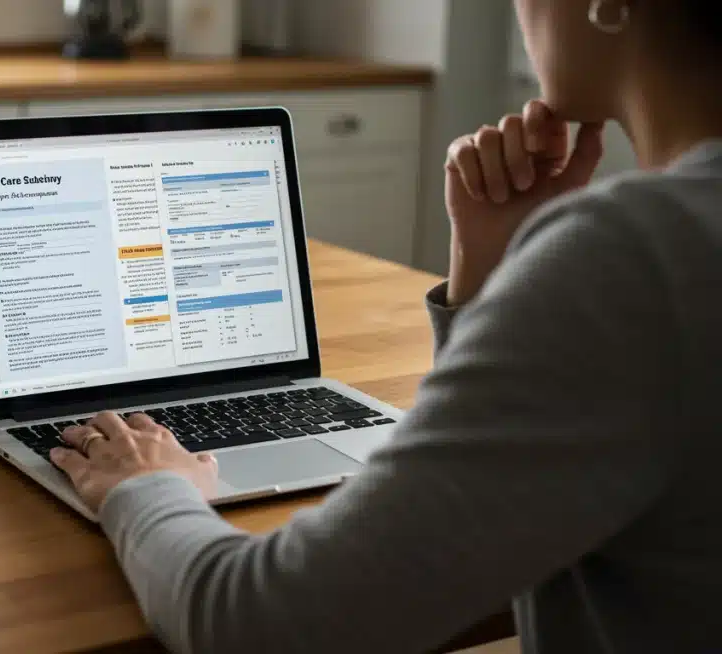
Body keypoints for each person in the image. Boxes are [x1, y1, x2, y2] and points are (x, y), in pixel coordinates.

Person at [48, 0, 722, 652]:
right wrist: (496, 278)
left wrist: (143, 485)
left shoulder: (634, 255)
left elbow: (259, 625)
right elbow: (497, 502)